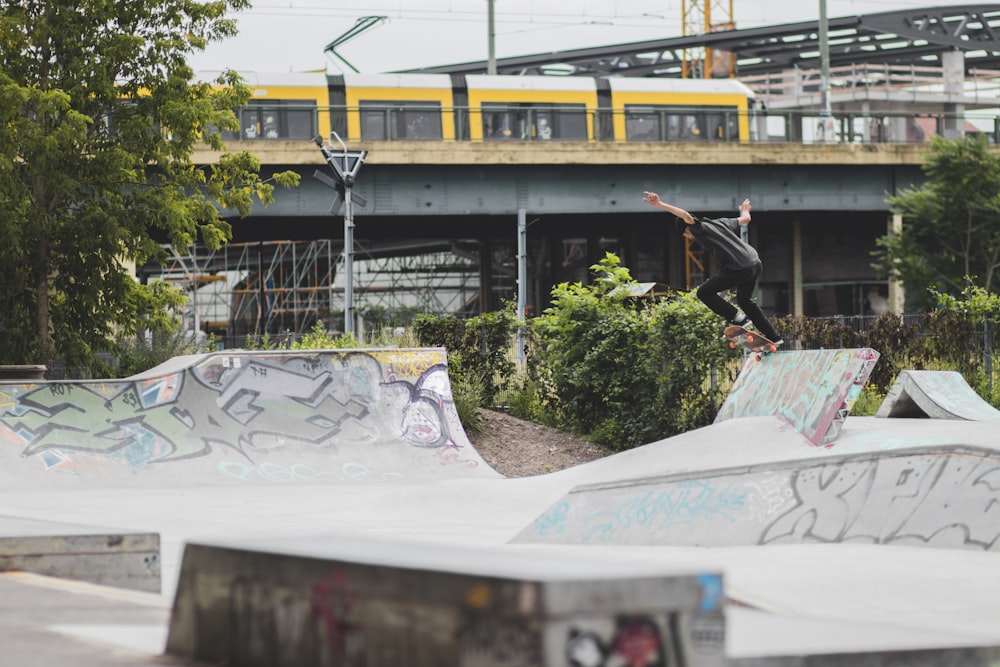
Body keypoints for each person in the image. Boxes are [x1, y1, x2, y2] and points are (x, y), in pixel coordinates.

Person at [642, 191, 783, 347]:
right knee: (745, 301)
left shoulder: (698, 228)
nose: (687, 238)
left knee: (704, 292)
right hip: (754, 263)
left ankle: (738, 318)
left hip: (737, 267)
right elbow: (746, 219)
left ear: (687, 229)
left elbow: (685, 215)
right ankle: (775, 337)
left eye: (685, 235)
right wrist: (744, 209)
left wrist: (659, 204)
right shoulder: (721, 222)